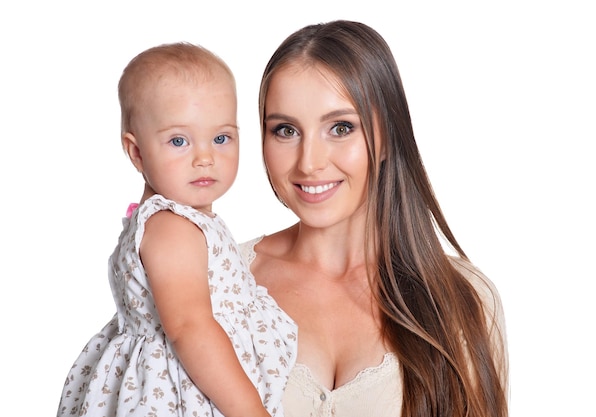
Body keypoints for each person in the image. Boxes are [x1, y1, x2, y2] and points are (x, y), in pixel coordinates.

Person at [239, 20, 508, 417]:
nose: (309, 162)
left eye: (341, 127)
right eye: (285, 130)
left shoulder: (465, 299)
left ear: (386, 136)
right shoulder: (216, 279)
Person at [57, 42, 297, 417]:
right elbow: (189, 328)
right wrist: (250, 410)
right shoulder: (172, 227)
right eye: (179, 141)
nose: (205, 157)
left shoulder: (181, 221)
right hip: (187, 397)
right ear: (136, 153)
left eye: (221, 138)